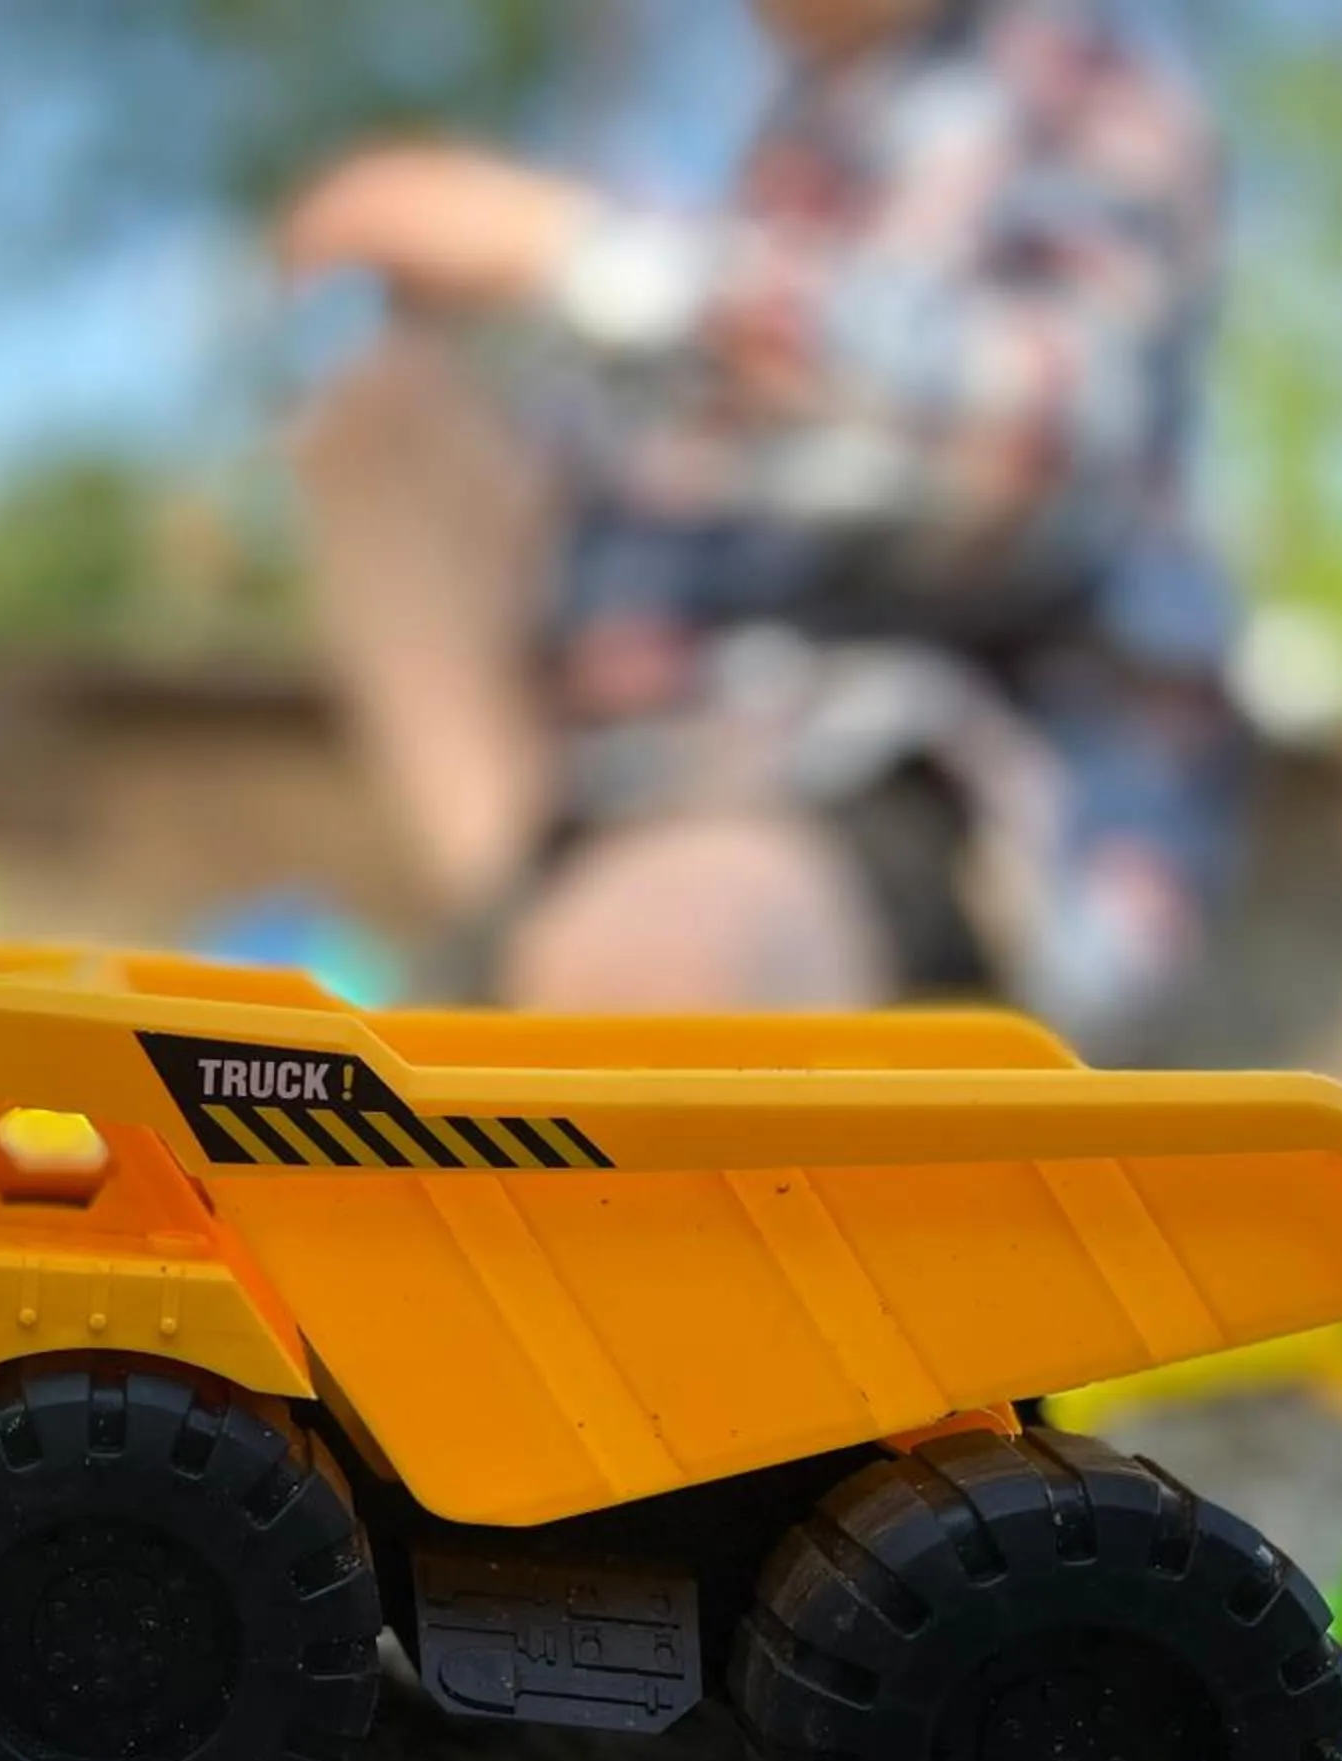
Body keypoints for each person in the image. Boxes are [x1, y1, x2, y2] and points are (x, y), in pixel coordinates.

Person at [281, 0, 1244, 1049]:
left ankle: (580, 1006)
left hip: (919, 771)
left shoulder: (1076, 77)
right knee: (389, 429)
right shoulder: (795, 138)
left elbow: (1038, 441)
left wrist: (580, 256)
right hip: (630, 771)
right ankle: (520, 924)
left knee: (664, 969)